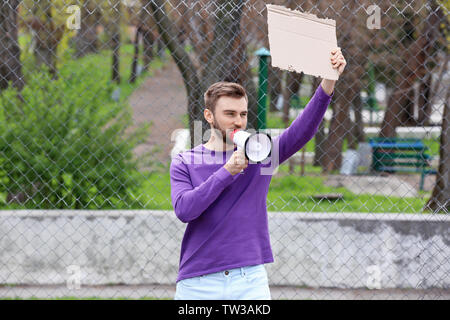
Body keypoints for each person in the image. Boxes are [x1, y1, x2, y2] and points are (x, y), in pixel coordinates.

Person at [170, 48, 346, 300]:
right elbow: (185, 210)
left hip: (249, 281)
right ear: (209, 116)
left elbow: (302, 131)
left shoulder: (259, 154)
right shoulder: (185, 161)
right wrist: (227, 172)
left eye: (242, 114)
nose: (238, 122)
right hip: (198, 281)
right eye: (229, 114)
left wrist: (329, 80)